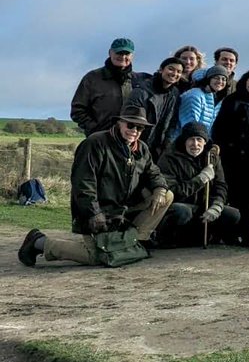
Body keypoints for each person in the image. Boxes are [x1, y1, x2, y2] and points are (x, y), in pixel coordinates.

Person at [19, 105, 173, 268]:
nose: (134, 130)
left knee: (167, 195)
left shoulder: (141, 148)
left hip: (124, 212)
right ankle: (38, 242)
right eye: (130, 125)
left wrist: (160, 189)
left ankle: (136, 241)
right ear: (119, 123)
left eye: (140, 128)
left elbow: (154, 173)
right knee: (95, 257)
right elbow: (83, 184)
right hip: (98, 213)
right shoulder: (94, 144)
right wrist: (94, 213)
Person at [210, 69, 249, 246]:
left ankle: (248, 235)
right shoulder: (232, 101)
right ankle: (230, 235)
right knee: (234, 198)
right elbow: (220, 129)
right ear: (245, 82)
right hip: (234, 159)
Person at [156, 121, 240, 246]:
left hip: (203, 207)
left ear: (205, 142)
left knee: (233, 214)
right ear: (184, 140)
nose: (195, 144)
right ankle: (169, 240)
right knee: (182, 211)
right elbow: (173, 192)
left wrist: (217, 205)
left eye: (199, 140)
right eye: (191, 139)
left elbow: (220, 185)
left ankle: (211, 237)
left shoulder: (212, 157)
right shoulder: (170, 157)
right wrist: (200, 180)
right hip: (182, 205)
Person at [70, 37, 142, 136]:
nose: (123, 56)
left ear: (132, 56)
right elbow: (77, 110)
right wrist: (94, 129)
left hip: (129, 141)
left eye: (127, 54)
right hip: (99, 140)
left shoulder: (140, 80)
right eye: (119, 53)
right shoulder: (92, 78)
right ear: (110, 53)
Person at [129, 56, 184, 160]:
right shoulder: (142, 91)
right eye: (171, 69)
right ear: (161, 70)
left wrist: (166, 146)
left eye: (179, 71)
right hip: (136, 145)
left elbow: (172, 122)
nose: (174, 73)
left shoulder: (175, 94)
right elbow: (129, 119)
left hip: (158, 150)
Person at [173, 65, 229, 140]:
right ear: (208, 79)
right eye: (216, 78)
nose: (220, 81)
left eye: (223, 79)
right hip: (183, 142)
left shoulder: (213, 97)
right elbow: (190, 124)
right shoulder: (194, 95)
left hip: (198, 143)